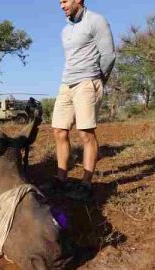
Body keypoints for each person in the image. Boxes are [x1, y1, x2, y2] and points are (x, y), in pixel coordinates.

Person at [51, 0, 115, 200]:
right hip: (66, 83)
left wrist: (97, 79)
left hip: (87, 81)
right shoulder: (65, 30)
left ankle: (86, 184)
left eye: (65, 1)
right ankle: (61, 179)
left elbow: (108, 55)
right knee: (59, 131)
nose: (62, 6)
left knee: (86, 133)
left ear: (78, 0)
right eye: (60, 2)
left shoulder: (96, 21)